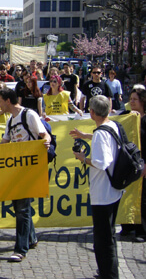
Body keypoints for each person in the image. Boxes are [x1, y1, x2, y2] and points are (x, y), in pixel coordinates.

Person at [0, 88, 49, 262]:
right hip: (16, 169)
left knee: (21, 209)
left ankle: (20, 249)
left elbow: (45, 135)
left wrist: (46, 143)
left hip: (29, 168)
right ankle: (32, 238)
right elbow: (6, 143)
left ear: (8, 100)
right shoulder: (9, 121)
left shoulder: (29, 115)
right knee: (21, 207)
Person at [70, 95, 123, 278]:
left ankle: (108, 274)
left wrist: (83, 159)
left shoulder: (101, 133)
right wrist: (86, 136)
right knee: (108, 234)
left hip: (103, 192)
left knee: (103, 239)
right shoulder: (112, 125)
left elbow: (102, 162)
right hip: (114, 190)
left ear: (92, 113)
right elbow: (106, 136)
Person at [118, 88, 146, 241]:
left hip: (143, 162)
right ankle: (127, 226)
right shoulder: (125, 116)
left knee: (142, 197)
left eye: (135, 99)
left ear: (142, 101)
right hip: (128, 162)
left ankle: (141, 229)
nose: (132, 102)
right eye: (131, 99)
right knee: (126, 194)